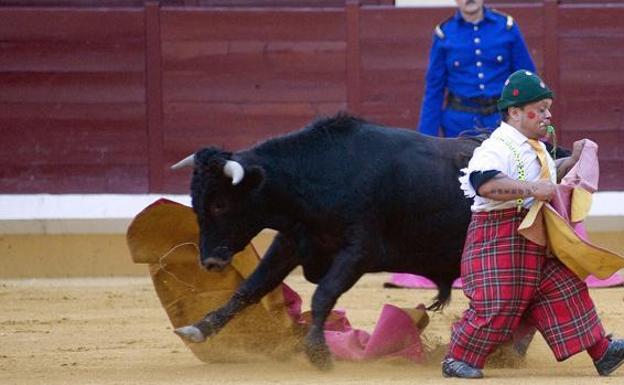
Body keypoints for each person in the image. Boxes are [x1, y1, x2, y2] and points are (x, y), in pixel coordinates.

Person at [442, 70, 624, 378]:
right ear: (514, 112)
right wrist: (529, 190)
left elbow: (546, 176)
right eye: (539, 109)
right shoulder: (496, 146)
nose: (547, 115)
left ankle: (601, 351)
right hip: (498, 236)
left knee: (564, 288)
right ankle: (459, 358)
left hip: (533, 237)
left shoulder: (531, 145)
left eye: (547, 108)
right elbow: (483, 182)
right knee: (499, 302)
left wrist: (572, 161)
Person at [418, 0, 536, 138]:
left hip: (502, 121)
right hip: (459, 126)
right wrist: (426, 139)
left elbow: (527, 80)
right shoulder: (445, 34)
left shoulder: (506, 27)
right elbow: (434, 90)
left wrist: (532, 124)